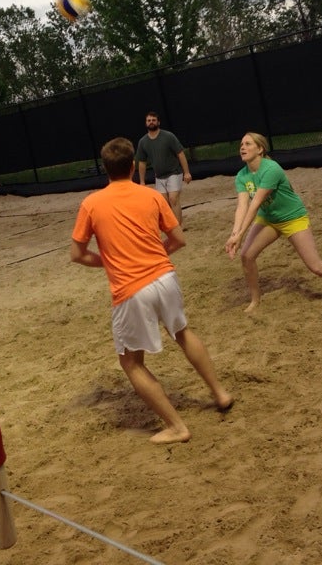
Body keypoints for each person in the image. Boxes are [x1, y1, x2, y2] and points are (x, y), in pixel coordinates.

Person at [71, 137, 232, 444]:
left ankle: (176, 426)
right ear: (133, 166)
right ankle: (220, 393)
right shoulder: (151, 196)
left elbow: (77, 254)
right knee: (182, 332)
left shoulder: (91, 203)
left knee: (131, 362)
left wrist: (110, 262)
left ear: (105, 169)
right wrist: (154, 256)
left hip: (131, 289)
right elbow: (178, 239)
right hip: (165, 278)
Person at [224, 133, 322, 313]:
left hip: (292, 218)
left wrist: (240, 235)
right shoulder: (242, 175)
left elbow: (255, 204)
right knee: (246, 256)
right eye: (241, 144)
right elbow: (242, 206)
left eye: (247, 144)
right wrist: (234, 234)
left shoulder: (271, 169)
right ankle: (255, 300)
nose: (242, 147)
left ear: (260, 149)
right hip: (269, 219)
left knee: (316, 266)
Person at [135, 112, 192, 226]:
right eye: (149, 120)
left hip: (174, 173)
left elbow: (180, 153)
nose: (151, 122)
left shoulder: (168, 136)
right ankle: (172, 224)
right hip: (159, 176)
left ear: (158, 122)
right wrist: (142, 181)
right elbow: (142, 162)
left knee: (173, 199)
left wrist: (186, 172)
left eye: (153, 120)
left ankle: (177, 226)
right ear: (146, 123)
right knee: (164, 203)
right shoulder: (143, 142)